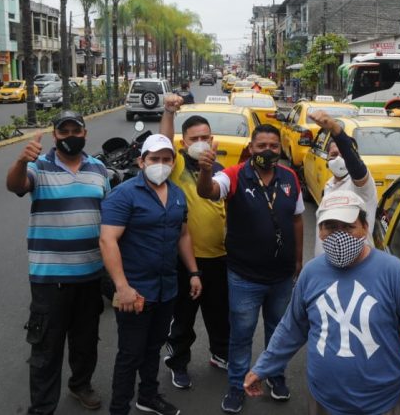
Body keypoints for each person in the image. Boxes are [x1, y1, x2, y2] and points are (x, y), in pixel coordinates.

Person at [243, 190, 400, 415]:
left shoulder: (393, 272)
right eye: (330, 227)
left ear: (365, 227)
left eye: (348, 227)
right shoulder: (311, 274)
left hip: (383, 405)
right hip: (323, 403)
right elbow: (291, 328)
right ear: (320, 231)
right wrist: (263, 367)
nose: (339, 236)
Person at [5, 111, 110, 415]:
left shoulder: (99, 169)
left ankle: (80, 384)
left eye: (74, 131)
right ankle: (42, 407)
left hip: (90, 275)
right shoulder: (39, 167)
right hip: (50, 279)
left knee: (86, 340)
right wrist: (22, 160)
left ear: (85, 133)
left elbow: (110, 218)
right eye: (63, 132)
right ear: (55, 136)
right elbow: (15, 185)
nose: (69, 137)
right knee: (46, 348)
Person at [196, 124, 304, 414]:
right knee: (241, 334)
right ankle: (236, 385)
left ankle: (275, 377)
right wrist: (205, 169)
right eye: (261, 146)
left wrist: (298, 260)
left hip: (281, 276)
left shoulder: (290, 177)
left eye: (274, 146)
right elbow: (208, 191)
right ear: (251, 148)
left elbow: (296, 220)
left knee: (278, 332)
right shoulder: (234, 175)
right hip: (244, 276)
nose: (268, 151)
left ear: (280, 149)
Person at [99, 134, 203, 415]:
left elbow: (183, 235)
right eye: (154, 159)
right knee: (130, 353)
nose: (160, 164)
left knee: (154, 346)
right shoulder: (124, 194)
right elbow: (108, 240)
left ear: (173, 162)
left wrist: (193, 272)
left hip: (166, 287)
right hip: (134, 289)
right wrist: (122, 287)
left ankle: (148, 396)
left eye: (166, 159)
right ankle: (119, 408)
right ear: (141, 161)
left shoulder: (178, 195)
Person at [159, 94, 230, 389]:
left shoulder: (222, 172)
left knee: (219, 313)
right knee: (184, 317)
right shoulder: (174, 167)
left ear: (211, 139)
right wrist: (168, 112)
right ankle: (178, 361)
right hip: (185, 260)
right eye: (193, 138)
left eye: (204, 137)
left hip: (220, 258)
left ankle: (220, 353)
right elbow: (163, 141)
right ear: (183, 143)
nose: (200, 142)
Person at [307, 110, 377, 257]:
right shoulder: (329, 186)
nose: (338, 159)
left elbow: (356, 167)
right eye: (333, 155)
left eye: (342, 155)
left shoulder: (361, 187)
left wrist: (335, 129)